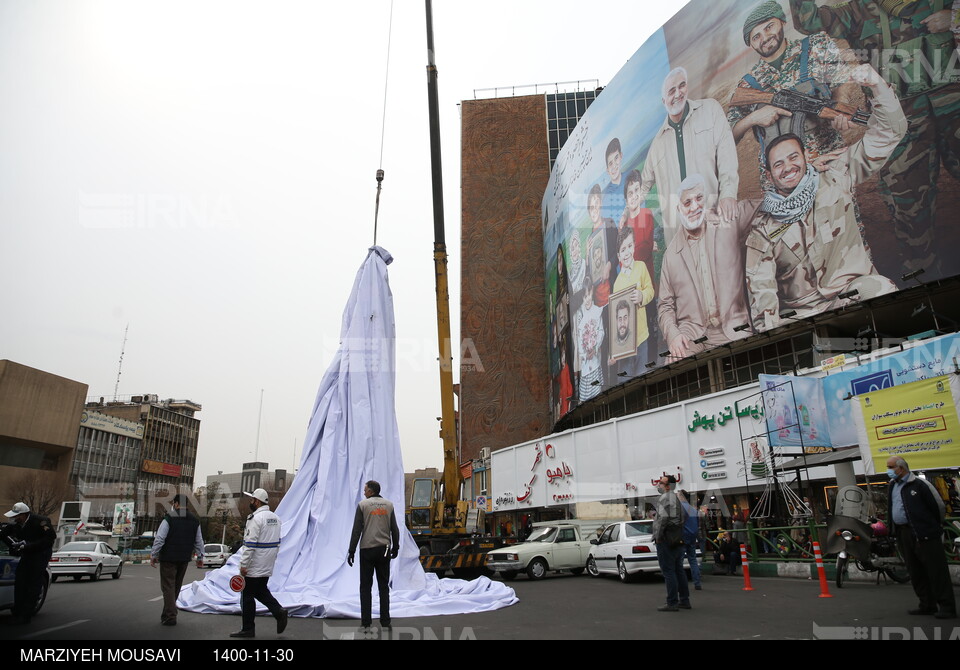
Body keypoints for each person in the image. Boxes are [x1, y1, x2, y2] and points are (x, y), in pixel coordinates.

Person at [789, 0, 960, 279]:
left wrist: (953, 16)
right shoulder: (858, 10)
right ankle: (924, 288)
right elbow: (809, 22)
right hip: (899, 118)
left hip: (953, 103)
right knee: (908, 210)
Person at [744, 64, 904, 331]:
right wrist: (776, 335)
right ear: (769, 175)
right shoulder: (763, 227)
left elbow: (889, 133)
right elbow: (762, 293)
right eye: (778, 165)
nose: (788, 168)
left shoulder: (835, 175)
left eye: (794, 157)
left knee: (881, 289)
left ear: (807, 158)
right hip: (805, 316)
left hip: (851, 293)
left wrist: (877, 86)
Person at [728, 1, 859, 189]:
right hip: (783, 180)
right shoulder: (747, 85)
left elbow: (841, 79)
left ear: (782, 21)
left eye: (769, 27)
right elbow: (727, 136)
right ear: (751, 43)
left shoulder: (816, 45)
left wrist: (839, 108)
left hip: (828, 163)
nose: (764, 38)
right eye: (755, 36)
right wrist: (754, 118)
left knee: (842, 215)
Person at [657, 174, 759, 360]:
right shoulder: (670, 255)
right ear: (678, 208)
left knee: (750, 360)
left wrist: (805, 175)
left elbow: (763, 205)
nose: (694, 207)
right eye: (687, 203)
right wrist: (673, 335)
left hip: (735, 326)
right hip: (693, 336)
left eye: (698, 199)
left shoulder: (727, 222)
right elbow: (665, 305)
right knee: (673, 359)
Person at [635, 67, 740, 231]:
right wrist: (628, 210)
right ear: (664, 101)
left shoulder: (710, 111)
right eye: (671, 91)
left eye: (681, 86)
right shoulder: (657, 145)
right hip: (680, 232)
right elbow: (644, 184)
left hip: (715, 220)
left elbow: (727, 155)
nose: (678, 94)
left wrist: (728, 194)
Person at [886, 457, 956, 619]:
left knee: (936, 571)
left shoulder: (920, 484)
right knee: (915, 571)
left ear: (901, 468)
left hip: (925, 533)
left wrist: (931, 528)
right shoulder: (892, 486)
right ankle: (926, 604)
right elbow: (892, 508)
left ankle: (947, 606)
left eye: (890, 467)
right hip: (903, 533)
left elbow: (938, 508)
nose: (888, 470)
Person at [230, 488, 287, 638]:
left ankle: (248, 628)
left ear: (257, 501)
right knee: (261, 590)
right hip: (267, 563)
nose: (250, 502)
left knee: (247, 595)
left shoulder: (255, 519)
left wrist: (243, 565)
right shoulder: (276, 518)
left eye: (252, 500)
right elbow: (278, 542)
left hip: (254, 564)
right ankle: (278, 611)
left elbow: (250, 544)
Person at [348, 480, 401, 632]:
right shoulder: (389, 505)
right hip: (383, 550)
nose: (364, 492)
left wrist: (351, 550)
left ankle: (366, 622)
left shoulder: (363, 505)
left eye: (365, 489)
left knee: (365, 586)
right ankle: (385, 621)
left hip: (367, 550)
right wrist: (395, 546)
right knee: (383, 586)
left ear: (371, 491)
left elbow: (357, 530)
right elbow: (394, 529)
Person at [150, 493, 204, 627]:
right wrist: (200, 556)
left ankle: (170, 616)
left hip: (168, 558)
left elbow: (160, 538)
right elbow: (199, 540)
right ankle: (167, 614)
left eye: (173, 504)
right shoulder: (194, 520)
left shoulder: (169, 518)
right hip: (184, 558)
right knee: (176, 587)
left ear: (176, 504)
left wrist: (154, 555)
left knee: (168, 586)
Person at [610, 225, 655, 378]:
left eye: (629, 246)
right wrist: (615, 350)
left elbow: (650, 290)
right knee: (626, 378)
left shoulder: (641, 267)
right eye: (623, 249)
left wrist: (642, 296)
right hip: (626, 344)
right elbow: (615, 318)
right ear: (618, 255)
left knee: (643, 374)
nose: (627, 252)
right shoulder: (617, 283)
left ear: (634, 246)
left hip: (642, 337)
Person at [2, 502, 55, 625]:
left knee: (33, 583)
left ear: (25, 514)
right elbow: (3, 535)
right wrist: (14, 545)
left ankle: (26, 615)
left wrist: (29, 545)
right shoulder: (16, 524)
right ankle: (17, 611)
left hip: (41, 553)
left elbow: (49, 539)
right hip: (27, 553)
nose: (15, 519)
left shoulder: (41, 521)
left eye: (18, 516)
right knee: (20, 582)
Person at [652, 475, 691, 611]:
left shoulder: (664, 498)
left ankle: (672, 602)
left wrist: (658, 536)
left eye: (661, 483)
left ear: (668, 486)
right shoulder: (676, 498)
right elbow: (684, 516)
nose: (658, 485)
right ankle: (684, 600)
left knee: (668, 571)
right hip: (677, 537)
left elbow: (662, 520)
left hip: (666, 539)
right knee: (678, 569)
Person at [574, 273, 606, 400]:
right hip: (586, 363)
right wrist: (584, 354)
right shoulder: (579, 313)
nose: (587, 299)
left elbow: (601, 331)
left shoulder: (597, 311)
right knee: (586, 397)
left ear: (592, 291)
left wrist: (595, 347)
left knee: (597, 393)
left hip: (596, 359)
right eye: (584, 296)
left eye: (589, 295)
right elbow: (577, 337)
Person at [678, 490, 703, 591]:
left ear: (680, 496)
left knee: (678, 562)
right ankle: (697, 582)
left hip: (683, 537)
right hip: (692, 537)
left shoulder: (680, 508)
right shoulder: (693, 509)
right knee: (692, 560)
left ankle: (681, 584)